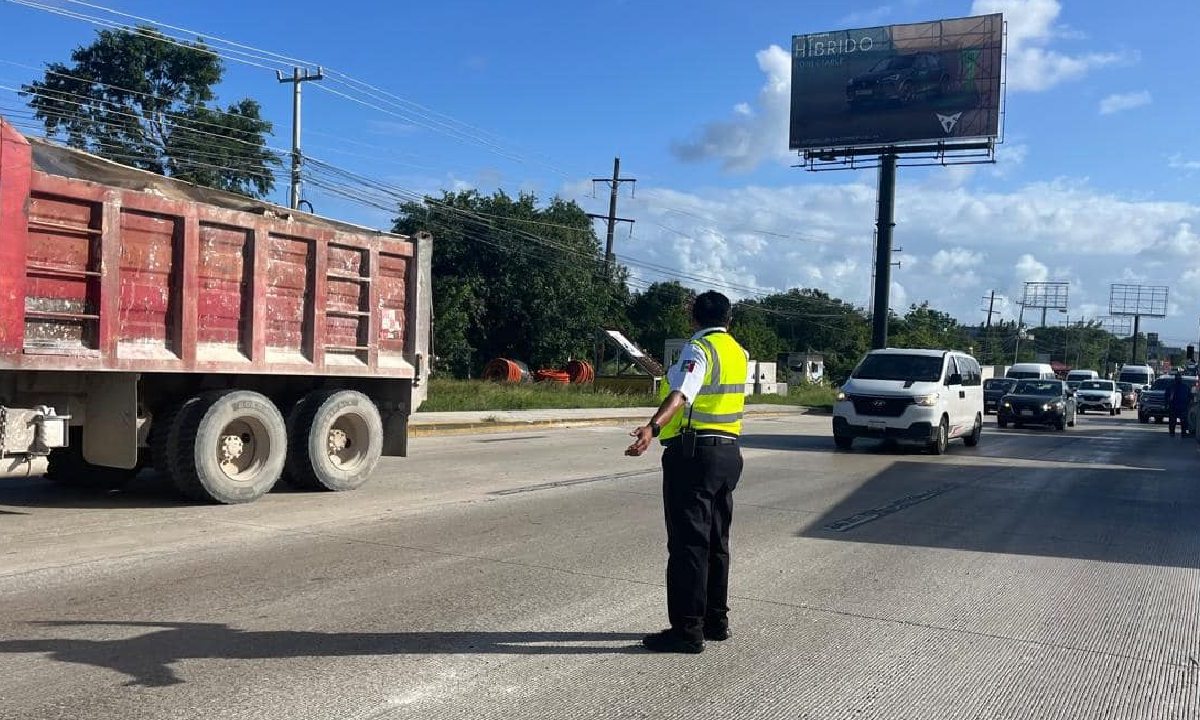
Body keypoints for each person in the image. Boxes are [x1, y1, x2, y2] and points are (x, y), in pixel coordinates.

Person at [625, 291, 748, 654]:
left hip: (695, 457)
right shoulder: (737, 352)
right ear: (729, 319)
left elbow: (681, 394)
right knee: (716, 542)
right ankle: (715, 621)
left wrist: (652, 427)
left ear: (694, 318)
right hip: (729, 453)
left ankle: (687, 631)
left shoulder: (700, 350)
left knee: (688, 545)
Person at [1166, 371, 1192, 438]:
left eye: (1178, 377)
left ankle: (1179, 433)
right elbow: (1167, 397)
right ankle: (1178, 433)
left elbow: (1189, 396)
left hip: (1180, 406)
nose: (1178, 379)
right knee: (1175, 421)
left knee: (1180, 421)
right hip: (1176, 406)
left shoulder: (1183, 387)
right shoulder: (1172, 387)